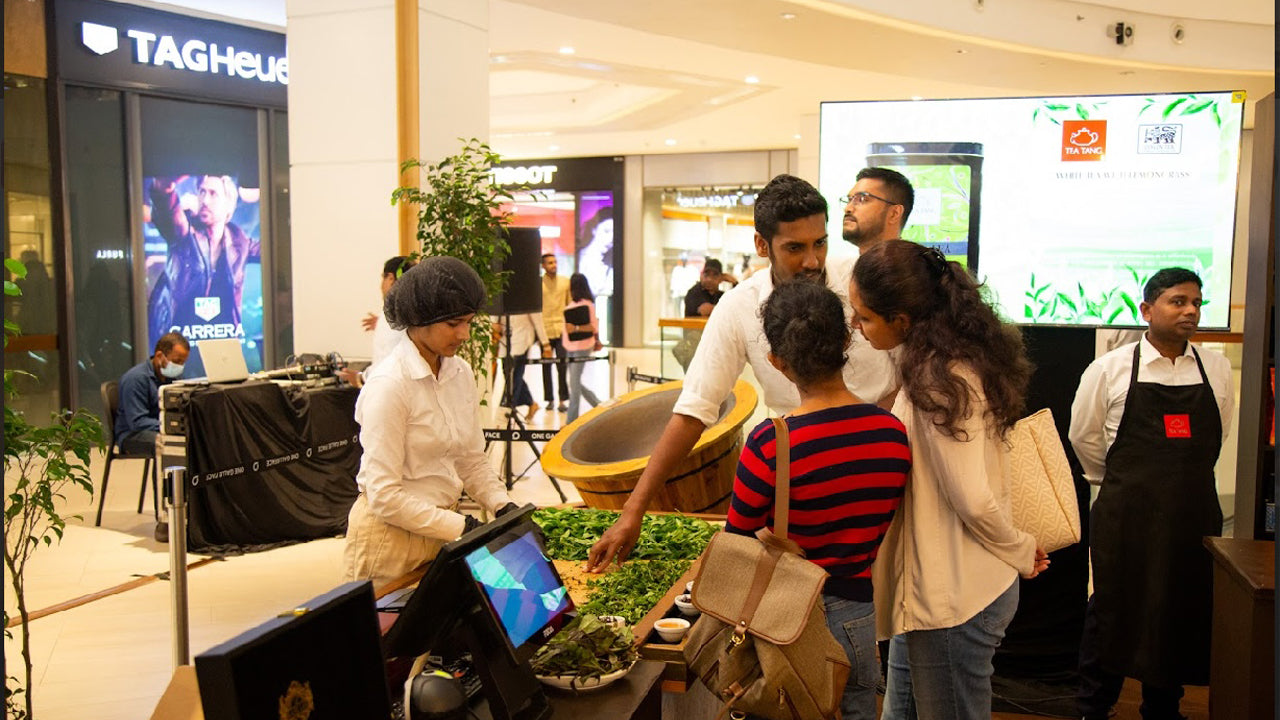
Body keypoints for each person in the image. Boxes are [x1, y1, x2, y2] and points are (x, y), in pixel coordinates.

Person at [586, 173, 897, 571]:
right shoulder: (738, 307)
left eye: (820, 242)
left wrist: (873, 428)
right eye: (795, 247)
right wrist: (633, 510)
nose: (812, 260)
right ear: (761, 245)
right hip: (799, 477)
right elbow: (694, 409)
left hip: (885, 461)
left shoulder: (861, 280)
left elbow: (911, 367)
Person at [850, 240, 1049, 720]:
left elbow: (973, 500)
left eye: (865, 317)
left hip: (957, 600)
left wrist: (1021, 548)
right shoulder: (945, 362)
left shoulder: (941, 379)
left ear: (901, 319)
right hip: (938, 595)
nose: (856, 327)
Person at [724, 279, 910, 720]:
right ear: (847, 339)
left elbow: (737, 543)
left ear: (776, 362)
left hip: (787, 620)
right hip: (860, 618)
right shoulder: (892, 433)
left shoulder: (770, 443)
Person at [1068, 267, 1234, 720]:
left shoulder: (1215, 369)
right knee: (1112, 607)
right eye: (1178, 301)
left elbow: (1217, 438)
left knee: (1179, 606)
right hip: (1126, 514)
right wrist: (1127, 481)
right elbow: (1084, 439)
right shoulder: (1109, 370)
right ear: (1147, 309)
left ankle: (1163, 707)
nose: (1190, 311)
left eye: (1196, 303)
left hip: (1192, 512)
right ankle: (1093, 707)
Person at [343, 256, 519, 585]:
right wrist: (461, 527)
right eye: (454, 324)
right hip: (390, 540)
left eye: (468, 321)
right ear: (420, 320)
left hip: (442, 530)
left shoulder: (460, 373)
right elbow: (384, 496)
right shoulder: (390, 385)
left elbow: (470, 459)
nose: (465, 334)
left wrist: (503, 505)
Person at [147, 175, 260, 342]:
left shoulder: (239, 241)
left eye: (213, 194)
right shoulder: (184, 233)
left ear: (229, 205)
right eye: (202, 192)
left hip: (223, 346)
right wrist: (164, 188)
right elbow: (168, 213)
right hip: (179, 343)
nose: (205, 200)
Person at [340, 255, 416, 387]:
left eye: (383, 278)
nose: (381, 285)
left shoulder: (393, 316)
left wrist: (359, 378)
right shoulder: (415, 311)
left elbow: (385, 365)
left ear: (391, 278)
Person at [115, 332, 190, 456]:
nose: (180, 367)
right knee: (173, 443)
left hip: (161, 427)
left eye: (183, 363)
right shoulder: (135, 379)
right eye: (177, 361)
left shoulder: (175, 377)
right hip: (132, 435)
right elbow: (137, 422)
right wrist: (169, 425)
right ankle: (168, 476)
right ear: (159, 355)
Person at [561, 273, 603, 423]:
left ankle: (570, 422)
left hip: (582, 346)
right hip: (570, 346)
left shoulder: (587, 305)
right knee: (574, 381)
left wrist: (577, 328)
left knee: (573, 382)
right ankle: (598, 404)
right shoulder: (573, 306)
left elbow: (593, 326)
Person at [841, 166, 914, 251]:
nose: (848, 208)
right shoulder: (840, 263)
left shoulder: (916, 264)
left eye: (862, 199)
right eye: (849, 199)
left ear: (895, 213)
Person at [497, 311, 550, 421]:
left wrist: (545, 344)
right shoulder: (500, 295)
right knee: (509, 375)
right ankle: (531, 403)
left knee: (514, 376)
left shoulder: (527, 296)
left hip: (522, 340)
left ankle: (507, 410)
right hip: (504, 342)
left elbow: (538, 321)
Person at [540, 253, 571, 413]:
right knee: (546, 366)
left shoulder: (565, 282)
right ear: (543, 266)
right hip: (544, 330)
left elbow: (570, 304)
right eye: (550, 263)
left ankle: (562, 400)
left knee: (562, 365)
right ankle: (550, 399)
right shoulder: (538, 284)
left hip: (560, 329)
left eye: (555, 262)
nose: (554, 265)